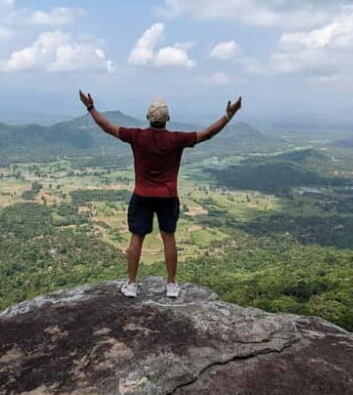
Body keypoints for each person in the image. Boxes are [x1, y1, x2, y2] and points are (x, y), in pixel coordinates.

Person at [78, 91, 242, 299]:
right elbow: (208, 134)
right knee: (169, 238)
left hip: (142, 196)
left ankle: (132, 284)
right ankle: (171, 284)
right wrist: (229, 115)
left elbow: (107, 127)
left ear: (148, 117)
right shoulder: (176, 139)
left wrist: (90, 107)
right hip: (168, 196)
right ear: (168, 119)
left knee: (136, 238)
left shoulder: (137, 136)